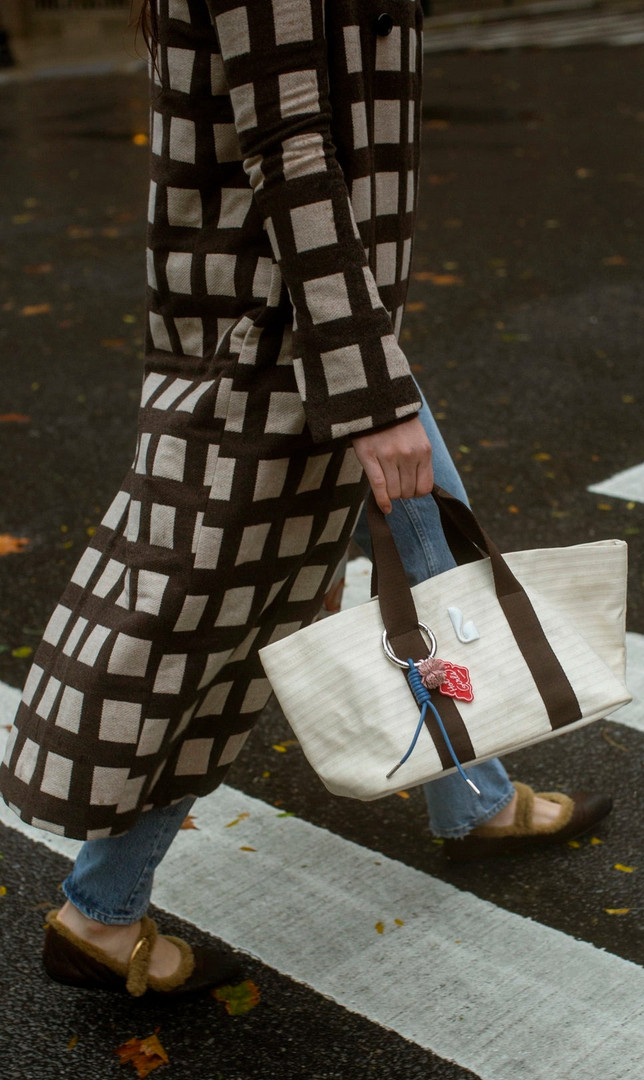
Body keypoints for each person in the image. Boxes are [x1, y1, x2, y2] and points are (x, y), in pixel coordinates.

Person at [0, 0, 610, 1000]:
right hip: (281, 342)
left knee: (415, 529)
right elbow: (288, 147)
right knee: (210, 628)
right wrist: (371, 396)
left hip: (310, 324)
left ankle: (476, 795)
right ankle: (100, 915)